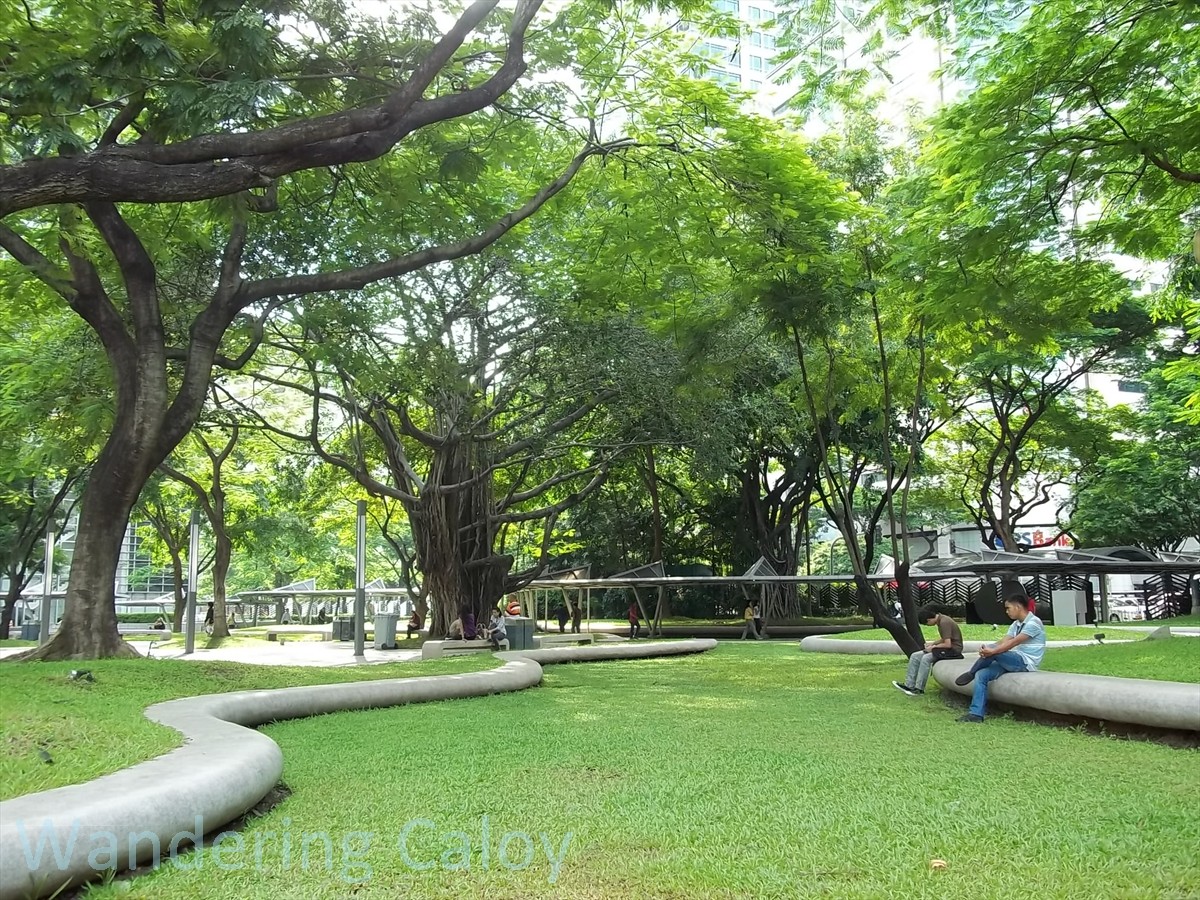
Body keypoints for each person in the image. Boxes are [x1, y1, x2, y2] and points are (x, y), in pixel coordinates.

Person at [953, 595, 1046, 722]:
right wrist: (987, 649)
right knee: (982, 675)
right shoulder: (1016, 624)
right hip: (1014, 659)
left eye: (1008, 608)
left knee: (994, 652)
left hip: (1025, 662)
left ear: (1018, 607)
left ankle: (971, 673)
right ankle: (976, 714)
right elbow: (1003, 641)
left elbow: (1013, 643)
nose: (1006, 611)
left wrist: (992, 651)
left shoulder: (1034, 622)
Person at [893, 604, 964, 695]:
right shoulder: (941, 620)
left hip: (954, 650)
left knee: (926, 658)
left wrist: (933, 648)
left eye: (927, 624)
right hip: (947, 648)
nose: (928, 625)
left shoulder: (944, 622)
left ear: (929, 619)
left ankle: (919, 689)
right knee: (915, 656)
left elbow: (948, 644)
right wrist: (933, 644)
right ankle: (909, 685)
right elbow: (945, 638)